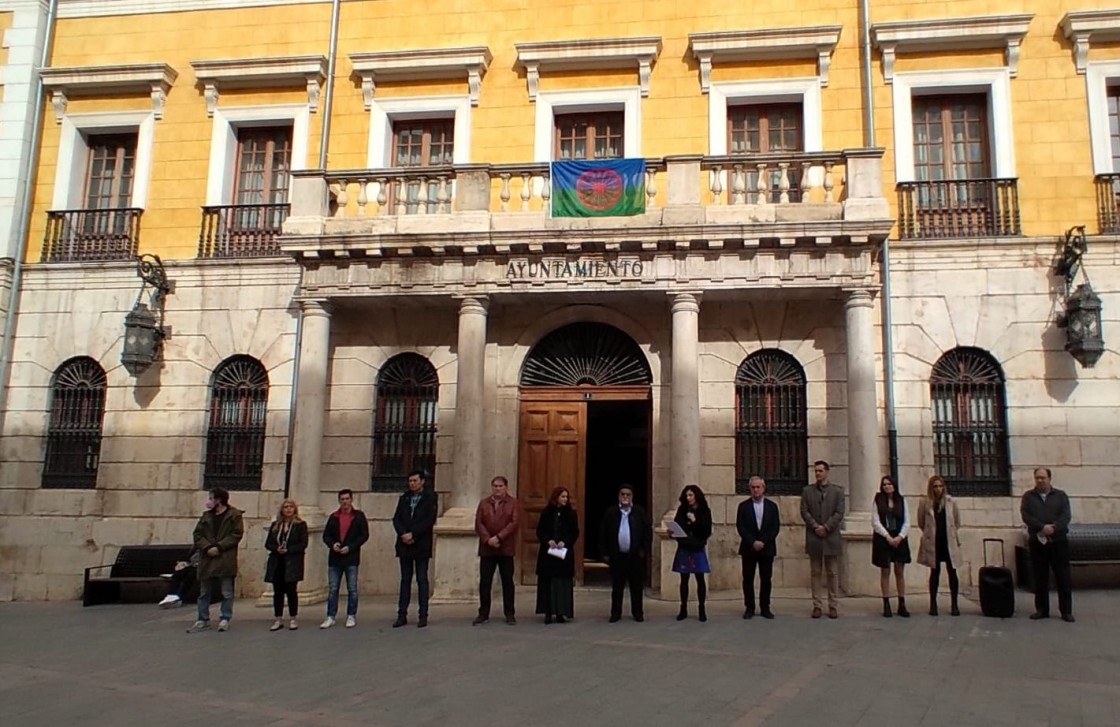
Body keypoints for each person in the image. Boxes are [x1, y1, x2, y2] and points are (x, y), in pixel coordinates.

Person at [1020, 467, 1074, 622]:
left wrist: (1054, 527)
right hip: (1038, 541)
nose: (1040, 480)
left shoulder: (1061, 496)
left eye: (1043, 477)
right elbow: (1026, 515)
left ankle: (1066, 611)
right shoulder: (1028, 497)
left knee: (1062, 576)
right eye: (1037, 477)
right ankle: (1042, 609)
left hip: (1058, 542)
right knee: (1040, 577)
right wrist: (1041, 527)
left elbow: (1066, 516)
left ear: (1049, 479)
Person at [187, 487, 244, 633]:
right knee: (204, 591)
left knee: (226, 591)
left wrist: (219, 547)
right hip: (207, 557)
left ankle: (225, 618)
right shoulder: (206, 516)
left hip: (224, 557)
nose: (209, 501)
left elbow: (236, 534)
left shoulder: (234, 515)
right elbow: (197, 534)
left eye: (211, 498)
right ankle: (202, 619)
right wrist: (207, 547)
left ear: (219, 500)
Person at [392, 470, 438, 628]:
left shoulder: (430, 498)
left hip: (421, 545)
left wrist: (414, 534)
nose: (412, 483)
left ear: (422, 481)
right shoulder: (404, 498)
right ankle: (401, 615)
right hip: (404, 545)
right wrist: (403, 533)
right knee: (405, 580)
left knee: (421, 580)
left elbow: (429, 520)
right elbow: (396, 519)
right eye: (410, 481)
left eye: (415, 480)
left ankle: (423, 615)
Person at [473, 476, 521, 625]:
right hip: (487, 549)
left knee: (507, 582)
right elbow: (479, 523)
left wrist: (499, 538)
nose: (497, 489)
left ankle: (509, 613)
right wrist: (488, 539)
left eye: (500, 486)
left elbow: (514, 523)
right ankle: (483, 613)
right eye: (495, 486)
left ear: (506, 487)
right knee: (485, 582)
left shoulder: (513, 503)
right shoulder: (484, 503)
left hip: (505, 548)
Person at [800, 460, 845, 619]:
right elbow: (804, 511)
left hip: (831, 536)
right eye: (816, 471)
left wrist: (826, 527)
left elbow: (839, 512)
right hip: (814, 537)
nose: (818, 473)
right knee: (815, 572)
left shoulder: (838, 492)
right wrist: (815, 526)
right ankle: (817, 605)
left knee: (832, 572)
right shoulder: (807, 491)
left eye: (820, 471)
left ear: (826, 472)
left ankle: (833, 604)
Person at [600, 484, 652, 623]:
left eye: (628, 495)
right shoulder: (611, 512)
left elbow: (647, 532)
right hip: (617, 556)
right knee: (617, 587)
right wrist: (605, 553)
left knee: (636, 587)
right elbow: (603, 533)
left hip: (634, 556)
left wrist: (643, 551)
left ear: (632, 497)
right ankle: (615, 613)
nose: (625, 497)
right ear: (619, 496)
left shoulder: (639, 512)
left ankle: (638, 613)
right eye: (622, 494)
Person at [320, 489, 369, 629]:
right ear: (339, 501)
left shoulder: (358, 516)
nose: (345, 502)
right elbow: (326, 536)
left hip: (351, 557)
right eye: (342, 499)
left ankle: (351, 615)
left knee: (352, 588)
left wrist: (351, 547)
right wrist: (332, 544)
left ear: (351, 500)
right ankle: (330, 616)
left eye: (347, 499)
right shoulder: (333, 517)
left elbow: (364, 535)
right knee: (333, 588)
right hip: (335, 558)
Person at [735, 475, 780, 619]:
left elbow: (775, 527)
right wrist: (752, 542)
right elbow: (740, 527)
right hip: (749, 548)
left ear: (763, 488)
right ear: (750, 489)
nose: (756, 490)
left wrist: (763, 542)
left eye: (758, 487)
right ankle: (749, 607)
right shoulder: (743, 506)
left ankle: (765, 607)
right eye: (753, 487)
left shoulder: (772, 507)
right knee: (748, 579)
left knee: (766, 579)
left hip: (766, 548)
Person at [916, 475, 961, 616]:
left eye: (940, 486)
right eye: (935, 486)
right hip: (934, 542)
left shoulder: (950, 502)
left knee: (952, 572)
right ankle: (933, 604)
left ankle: (954, 604)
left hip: (948, 541)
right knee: (934, 573)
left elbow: (957, 521)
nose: (938, 489)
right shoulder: (925, 502)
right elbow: (921, 522)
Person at [535, 486, 579, 624]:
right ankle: (548, 612)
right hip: (548, 553)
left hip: (563, 554)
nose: (565, 499)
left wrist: (564, 542)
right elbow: (540, 530)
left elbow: (574, 532)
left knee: (562, 584)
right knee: (548, 582)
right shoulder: (547, 512)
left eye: (566, 496)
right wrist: (548, 540)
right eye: (562, 496)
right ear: (556, 497)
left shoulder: (571, 514)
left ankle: (561, 612)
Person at [264, 498, 308, 631]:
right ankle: (278, 618)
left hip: (292, 562)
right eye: (286, 507)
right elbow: (268, 543)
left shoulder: (300, 525)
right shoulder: (276, 525)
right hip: (277, 561)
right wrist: (276, 549)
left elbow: (303, 544)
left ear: (295, 509)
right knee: (277, 592)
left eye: (291, 507)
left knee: (291, 591)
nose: (288, 509)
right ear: (282, 510)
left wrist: (289, 550)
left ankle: (293, 618)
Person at [671, 484, 713, 622]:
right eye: (686, 495)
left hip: (697, 547)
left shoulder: (704, 511)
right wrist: (673, 532)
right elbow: (678, 526)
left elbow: (705, 531)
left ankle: (702, 608)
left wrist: (694, 521)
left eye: (691, 495)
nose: (688, 498)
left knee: (700, 579)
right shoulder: (682, 510)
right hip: (685, 547)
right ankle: (683, 608)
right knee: (684, 580)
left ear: (696, 496)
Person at [871, 475, 911, 618]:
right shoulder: (878, 500)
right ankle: (886, 603)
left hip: (899, 538)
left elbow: (907, 521)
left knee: (899, 572)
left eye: (889, 484)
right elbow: (875, 521)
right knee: (885, 571)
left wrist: (900, 537)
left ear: (894, 485)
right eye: (884, 484)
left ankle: (902, 603)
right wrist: (887, 537)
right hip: (884, 539)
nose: (887, 486)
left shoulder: (902, 500)